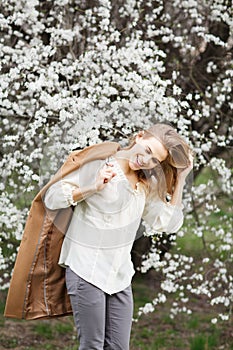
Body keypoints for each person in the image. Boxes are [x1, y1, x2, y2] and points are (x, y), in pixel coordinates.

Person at [43, 122, 193, 350]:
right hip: (86, 268)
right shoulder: (100, 164)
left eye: (154, 160)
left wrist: (180, 180)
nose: (146, 160)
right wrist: (91, 187)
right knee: (92, 345)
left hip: (120, 275)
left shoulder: (145, 185)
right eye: (148, 151)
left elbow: (169, 223)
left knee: (118, 347)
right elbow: (51, 197)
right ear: (140, 136)